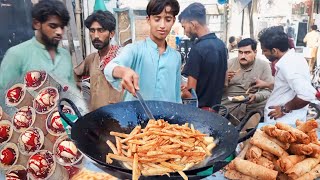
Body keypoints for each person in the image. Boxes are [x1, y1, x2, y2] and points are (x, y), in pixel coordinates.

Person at [104, 0, 181, 103]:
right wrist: (124, 72)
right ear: (148, 20)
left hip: (166, 118)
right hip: (134, 116)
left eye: (168, 19)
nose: (162, 25)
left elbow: (176, 97)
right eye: (157, 19)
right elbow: (109, 68)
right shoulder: (134, 49)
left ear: (173, 21)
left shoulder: (176, 57)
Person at [0, 0, 75, 89]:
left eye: (62, 27)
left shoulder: (65, 55)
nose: (59, 32)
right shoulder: (16, 54)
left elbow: (72, 93)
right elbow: (4, 94)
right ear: (37, 24)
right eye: (53, 26)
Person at [259, 26, 316, 124]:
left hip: (285, 123)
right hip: (281, 122)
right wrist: (266, 85)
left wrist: (284, 109)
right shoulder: (291, 59)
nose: (263, 54)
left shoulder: (289, 65)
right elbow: (287, 87)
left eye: (264, 50)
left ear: (274, 51)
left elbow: (307, 95)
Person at [178, 2, 227, 111]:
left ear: (192, 24)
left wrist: (180, 93)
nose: (184, 31)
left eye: (184, 26)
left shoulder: (197, 49)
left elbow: (191, 94)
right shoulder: (221, 45)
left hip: (200, 113)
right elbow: (225, 82)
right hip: (215, 110)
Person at [74, 10, 122, 111]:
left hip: (117, 119)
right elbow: (75, 74)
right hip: (95, 119)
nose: (96, 36)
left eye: (101, 30)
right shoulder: (91, 59)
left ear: (111, 33)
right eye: (92, 30)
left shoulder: (121, 57)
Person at [222, 38, 273, 120]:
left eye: (247, 53)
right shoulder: (228, 64)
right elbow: (216, 89)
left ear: (255, 52)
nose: (243, 56)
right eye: (240, 52)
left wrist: (257, 96)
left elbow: (268, 90)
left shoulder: (264, 65)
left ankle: (248, 131)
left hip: (252, 103)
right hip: (229, 102)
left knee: (267, 105)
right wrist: (224, 80)